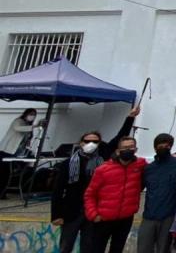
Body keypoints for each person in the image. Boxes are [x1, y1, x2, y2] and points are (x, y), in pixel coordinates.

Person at [51, 106, 140, 253]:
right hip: (71, 211)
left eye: (95, 141)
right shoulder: (69, 163)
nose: (91, 144)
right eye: (87, 141)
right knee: (66, 245)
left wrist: (130, 117)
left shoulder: (103, 156)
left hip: (92, 211)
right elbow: (58, 189)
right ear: (81, 143)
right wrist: (56, 214)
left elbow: (120, 137)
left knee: (89, 246)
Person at [84, 136, 146, 253]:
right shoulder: (103, 169)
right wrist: (93, 214)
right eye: (125, 147)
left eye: (131, 147)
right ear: (118, 151)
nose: (128, 150)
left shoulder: (140, 165)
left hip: (125, 218)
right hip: (103, 219)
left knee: (117, 249)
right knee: (96, 249)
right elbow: (89, 194)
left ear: (136, 149)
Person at [138, 133, 176, 253]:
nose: (164, 146)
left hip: (169, 217)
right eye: (161, 144)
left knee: (164, 249)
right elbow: (138, 187)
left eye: (167, 144)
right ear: (155, 147)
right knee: (143, 248)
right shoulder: (149, 168)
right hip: (149, 216)